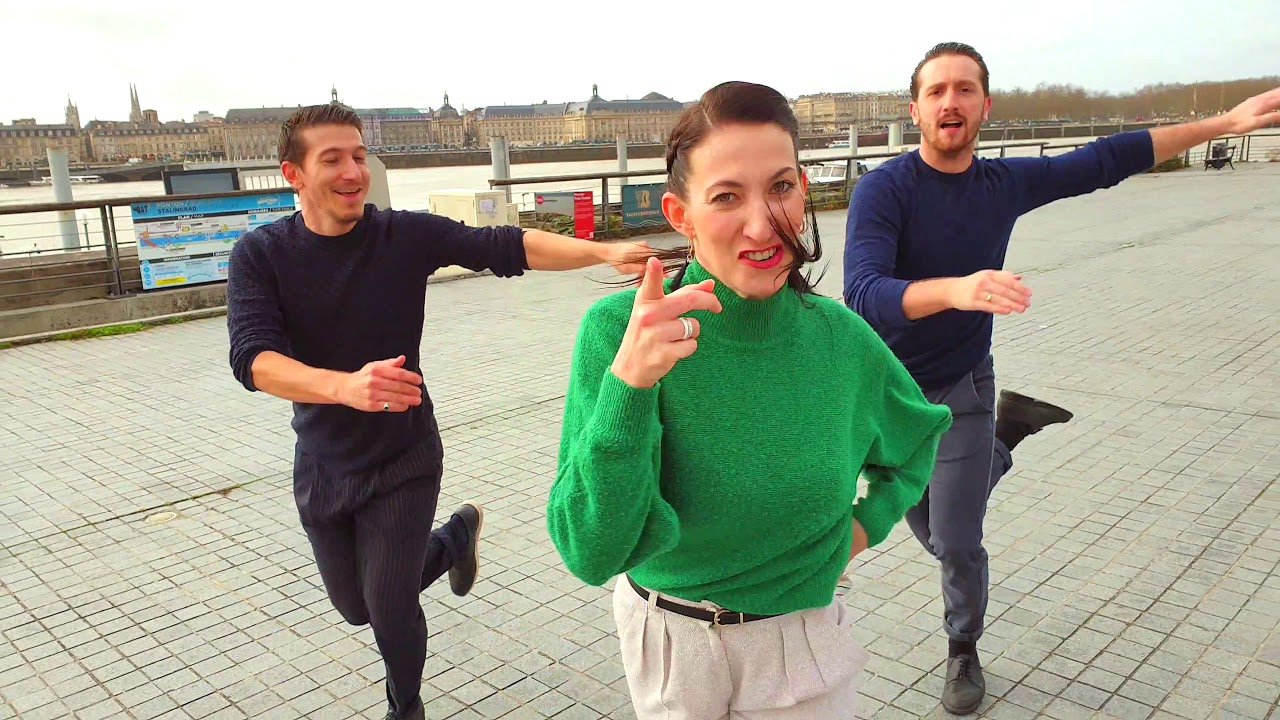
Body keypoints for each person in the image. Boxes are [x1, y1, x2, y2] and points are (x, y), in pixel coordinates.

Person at [843, 41, 1280, 715]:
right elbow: (864, 292)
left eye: (964, 90)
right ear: (917, 108)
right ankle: (1007, 437)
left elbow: (1107, 158)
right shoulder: (884, 189)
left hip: (963, 388)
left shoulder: (1002, 185)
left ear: (984, 106)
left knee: (958, 542)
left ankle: (963, 649)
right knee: (928, 532)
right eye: (936, 91)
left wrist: (1221, 125)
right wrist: (958, 289)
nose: (950, 102)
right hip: (891, 398)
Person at [225, 103, 648, 720]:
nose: (353, 171)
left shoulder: (401, 236)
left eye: (359, 156)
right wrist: (344, 387)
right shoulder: (261, 254)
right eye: (333, 159)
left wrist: (602, 253)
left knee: (391, 610)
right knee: (357, 607)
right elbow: (252, 357)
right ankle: (452, 541)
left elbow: (504, 245)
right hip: (323, 464)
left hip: (404, 457)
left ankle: (406, 708)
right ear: (293, 174)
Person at [546, 81, 955, 719]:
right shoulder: (617, 333)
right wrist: (629, 389)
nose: (764, 224)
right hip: (669, 644)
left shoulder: (840, 341)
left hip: (799, 643)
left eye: (783, 187)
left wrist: (858, 530)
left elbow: (917, 439)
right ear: (680, 215)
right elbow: (590, 551)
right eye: (727, 196)